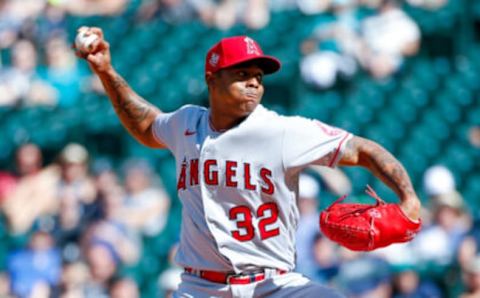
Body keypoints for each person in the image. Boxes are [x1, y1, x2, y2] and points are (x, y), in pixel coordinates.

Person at [74, 27, 421, 297]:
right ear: (212, 78)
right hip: (201, 289)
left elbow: (362, 149)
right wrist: (105, 71)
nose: (254, 81)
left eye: (258, 75)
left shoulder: (282, 131)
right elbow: (147, 124)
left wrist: (408, 197)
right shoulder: (185, 124)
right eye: (241, 73)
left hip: (275, 286)